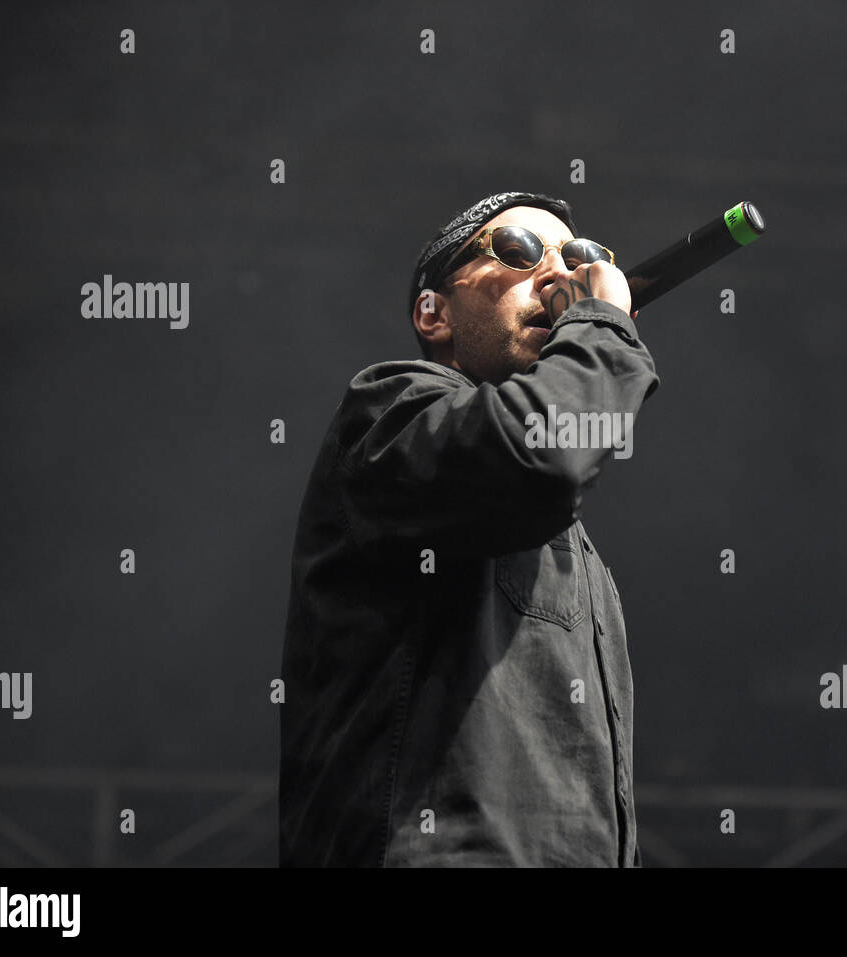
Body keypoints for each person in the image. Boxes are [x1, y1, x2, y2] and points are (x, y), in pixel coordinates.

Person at [279, 191, 660, 866]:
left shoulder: (583, 559)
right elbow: (545, 454)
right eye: (517, 250)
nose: (557, 276)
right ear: (435, 312)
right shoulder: (389, 414)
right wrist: (599, 324)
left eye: (579, 260)